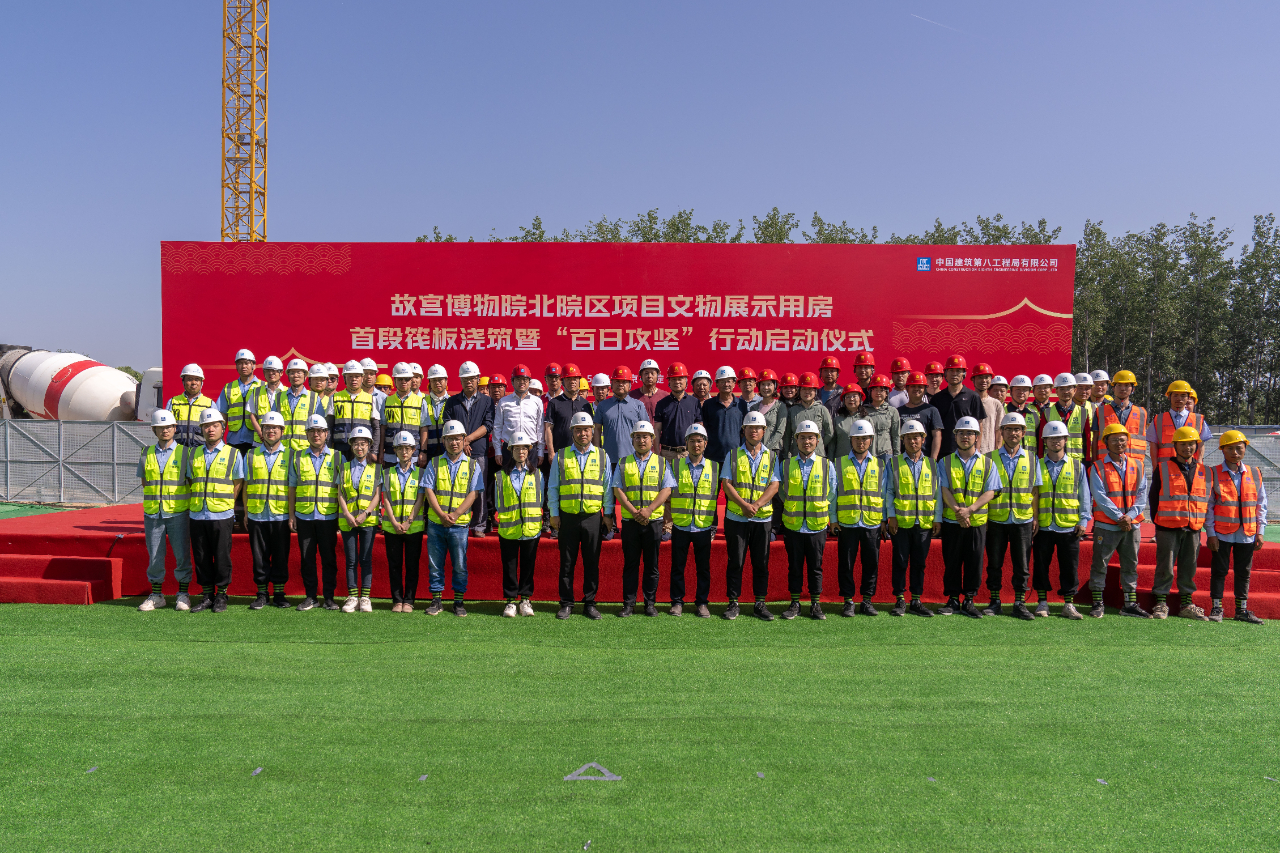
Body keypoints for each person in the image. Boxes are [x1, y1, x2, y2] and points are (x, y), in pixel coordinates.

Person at [549, 411, 614, 620]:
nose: (583, 434)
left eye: (586, 430)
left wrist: (608, 514)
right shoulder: (561, 456)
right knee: (567, 563)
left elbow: (607, 488)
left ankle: (590, 603)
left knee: (591, 563)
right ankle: (566, 603)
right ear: (572, 432)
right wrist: (554, 514)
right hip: (567, 517)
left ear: (592, 431)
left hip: (593, 517)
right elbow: (553, 487)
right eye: (578, 430)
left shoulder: (602, 456)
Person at [938, 416, 1001, 618]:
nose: (965, 437)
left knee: (975, 562)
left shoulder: (987, 463)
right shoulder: (945, 461)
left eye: (970, 433)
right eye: (961, 433)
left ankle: (969, 600)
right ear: (955, 436)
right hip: (952, 520)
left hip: (977, 522)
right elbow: (944, 489)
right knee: (952, 561)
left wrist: (970, 510)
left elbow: (991, 491)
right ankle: (953, 600)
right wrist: (959, 511)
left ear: (977, 437)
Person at [720, 411, 780, 621]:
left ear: (764, 431)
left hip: (762, 519)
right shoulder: (733, 455)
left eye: (758, 428)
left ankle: (759, 603)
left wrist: (756, 505)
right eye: (750, 427)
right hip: (737, 517)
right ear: (743, 430)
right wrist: (744, 505)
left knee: (761, 563)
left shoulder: (771, 456)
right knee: (735, 561)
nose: (754, 431)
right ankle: (733, 602)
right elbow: (727, 484)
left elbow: (774, 485)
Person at [1086, 423, 1150, 619]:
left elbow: (1142, 494)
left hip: (1132, 525)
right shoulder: (1097, 467)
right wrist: (1120, 517)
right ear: (1105, 442)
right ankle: (1097, 603)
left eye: (1122, 439)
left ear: (1127, 441)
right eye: (1114, 439)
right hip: (1106, 526)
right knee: (1100, 564)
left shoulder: (1138, 465)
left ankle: (1129, 604)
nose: (1119, 443)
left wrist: (1130, 517)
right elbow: (1099, 496)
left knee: (1131, 565)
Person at [611, 420, 675, 616]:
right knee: (630, 564)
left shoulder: (662, 462)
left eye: (645, 437)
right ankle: (629, 604)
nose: (641, 440)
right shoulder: (623, 462)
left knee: (651, 565)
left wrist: (649, 510)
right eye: (637, 437)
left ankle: (650, 603)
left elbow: (667, 489)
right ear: (632, 440)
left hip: (653, 521)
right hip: (630, 522)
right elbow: (617, 489)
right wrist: (634, 512)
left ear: (652, 439)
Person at [185, 408, 245, 613]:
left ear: (223, 428)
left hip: (222, 513)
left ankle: (221, 595)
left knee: (221, 556)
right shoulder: (193, 454)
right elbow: (191, 480)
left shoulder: (233, 453)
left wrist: (226, 503)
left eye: (215, 425)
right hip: (197, 513)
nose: (210, 429)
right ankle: (207, 595)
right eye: (206, 426)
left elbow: (238, 482)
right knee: (201, 556)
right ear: (201, 429)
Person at [1149, 425, 1210, 620]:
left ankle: (1186, 604)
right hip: (1167, 526)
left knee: (1189, 567)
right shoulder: (1162, 468)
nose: (1187, 448)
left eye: (1191, 444)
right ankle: (1160, 603)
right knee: (1165, 566)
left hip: (1193, 527)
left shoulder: (1205, 471)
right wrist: (1158, 524)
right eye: (1182, 444)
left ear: (1197, 446)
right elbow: (1153, 498)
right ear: (1175, 446)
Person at [423, 420, 484, 616]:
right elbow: (429, 490)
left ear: (464, 439)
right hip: (436, 522)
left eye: (457, 439)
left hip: (460, 525)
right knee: (435, 564)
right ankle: (436, 600)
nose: (454, 443)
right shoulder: (434, 463)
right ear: (443, 441)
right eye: (450, 439)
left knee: (459, 565)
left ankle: (458, 601)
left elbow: (474, 493)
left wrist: (456, 515)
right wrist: (441, 515)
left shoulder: (473, 465)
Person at [778, 419, 837, 620]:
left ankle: (815, 604)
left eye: (811, 438)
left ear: (817, 440)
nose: (807, 442)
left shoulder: (827, 465)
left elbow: (832, 493)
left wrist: (821, 510)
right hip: (793, 525)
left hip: (817, 526)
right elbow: (782, 492)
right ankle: (794, 603)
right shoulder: (786, 465)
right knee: (794, 567)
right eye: (802, 438)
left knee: (815, 567)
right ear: (796, 440)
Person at [1032, 421, 1092, 619]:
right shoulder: (1037, 465)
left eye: (1059, 438)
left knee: (1070, 567)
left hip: (1069, 526)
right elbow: (1033, 495)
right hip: (1043, 525)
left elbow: (1084, 496)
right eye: (1051, 438)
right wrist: (1033, 518)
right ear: (1045, 441)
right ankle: (1042, 602)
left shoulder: (1077, 466)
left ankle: (1068, 604)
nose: (1055, 441)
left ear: (1066, 440)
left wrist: (1083, 520)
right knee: (1041, 566)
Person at [1206, 430, 1267, 624]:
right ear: (1222, 450)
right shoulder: (1213, 473)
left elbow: (1261, 505)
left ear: (1245, 449)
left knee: (1243, 572)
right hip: (1221, 533)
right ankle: (1216, 608)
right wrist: (1210, 533)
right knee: (1219, 571)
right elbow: (1209, 506)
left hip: (1247, 534)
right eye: (1230, 448)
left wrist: (1260, 532)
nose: (1234, 452)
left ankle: (1241, 610)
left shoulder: (1255, 473)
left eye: (1239, 448)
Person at [984, 412, 1040, 620]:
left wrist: (1035, 517)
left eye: (1017, 429)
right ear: (1001, 432)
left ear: (1023, 433)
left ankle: (1019, 603)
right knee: (994, 563)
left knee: (1022, 565)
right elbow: (984, 490)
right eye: (1008, 429)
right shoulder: (989, 458)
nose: (1013, 433)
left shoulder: (1032, 458)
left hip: (1022, 518)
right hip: (995, 518)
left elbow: (1035, 491)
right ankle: (994, 601)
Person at [136, 409, 193, 612]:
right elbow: (145, 481)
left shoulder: (186, 453)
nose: (165, 430)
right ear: (154, 430)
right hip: (153, 513)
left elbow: (191, 481)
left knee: (182, 555)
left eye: (168, 427)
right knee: (154, 557)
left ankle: (183, 594)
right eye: (160, 427)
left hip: (178, 512)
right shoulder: (146, 452)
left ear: (175, 428)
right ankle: (157, 595)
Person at [885, 420, 941, 616]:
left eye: (916, 437)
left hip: (924, 522)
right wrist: (891, 516)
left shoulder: (932, 464)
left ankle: (916, 600)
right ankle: (900, 600)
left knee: (919, 563)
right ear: (903, 440)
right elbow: (889, 491)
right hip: (901, 522)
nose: (912, 441)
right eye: (908, 438)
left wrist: (937, 518)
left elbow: (937, 494)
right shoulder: (894, 463)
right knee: (900, 562)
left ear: (923, 439)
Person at [288, 413, 341, 611]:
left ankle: (329, 598)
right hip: (304, 516)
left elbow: (342, 489)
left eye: (319, 431)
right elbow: (292, 487)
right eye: (311, 431)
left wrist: (340, 517)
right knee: (307, 559)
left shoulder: (337, 456)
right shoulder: (298, 456)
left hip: (328, 516)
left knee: (329, 559)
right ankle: (311, 597)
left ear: (326, 433)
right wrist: (292, 515)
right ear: (306, 434)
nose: (316, 435)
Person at [832, 418, 883, 617]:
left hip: (872, 522)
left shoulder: (880, 464)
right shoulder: (839, 463)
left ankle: (867, 600)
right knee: (846, 564)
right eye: (857, 439)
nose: (861, 442)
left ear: (871, 440)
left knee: (871, 563)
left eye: (864, 438)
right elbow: (833, 494)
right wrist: (833, 519)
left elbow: (885, 494)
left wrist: (885, 520)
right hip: (848, 522)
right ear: (851, 440)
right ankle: (848, 601)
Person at [669, 423, 719, 617]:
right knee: (677, 567)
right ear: (686, 443)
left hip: (703, 526)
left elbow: (717, 496)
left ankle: (702, 603)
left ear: (705, 443)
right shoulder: (675, 465)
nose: (696, 445)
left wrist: (713, 525)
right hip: (681, 525)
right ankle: (677, 602)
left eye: (699, 441)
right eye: (692, 441)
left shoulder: (714, 467)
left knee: (703, 568)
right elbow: (667, 494)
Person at [244, 411, 292, 609]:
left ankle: (279, 594)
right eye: (267, 428)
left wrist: (291, 514)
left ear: (282, 431)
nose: (271, 431)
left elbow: (293, 487)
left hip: (281, 514)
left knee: (281, 556)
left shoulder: (291, 455)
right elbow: (246, 485)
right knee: (259, 557)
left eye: (275, 428)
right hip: (257, 513)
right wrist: (246, 513)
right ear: (261, 431)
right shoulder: (251, 454)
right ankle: (262, 593)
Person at [443, 361, 494, 538]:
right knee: (456, 487)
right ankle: (456, 520)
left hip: (478, 451)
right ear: (460, 380)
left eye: (472, 378)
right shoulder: (452, 401)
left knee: (479, 489)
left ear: (478, 379)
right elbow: (447, 424)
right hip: (455, 452)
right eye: (465, 378)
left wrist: (467, 439)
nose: (469, 381)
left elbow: (488, 425)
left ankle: (478, 524)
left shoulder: (487, 401)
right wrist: (461, 443)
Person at [495, 431, 543, 617]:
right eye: (517, 448)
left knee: (528, 566)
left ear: (529, 451)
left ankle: (525, 600)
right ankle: (510, 601)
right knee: (509, 567)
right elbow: (498, 503)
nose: (521, 451)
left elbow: (541, 500)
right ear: (510, 450)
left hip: (531, 528)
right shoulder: (500, 476)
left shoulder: (538, 475)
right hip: (509, 528)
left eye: (524, 448)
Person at [337, 425, 380, 614]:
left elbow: (377, 495)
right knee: (351, 560)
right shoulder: (343, 468)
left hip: (367, 521)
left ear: (369, 445)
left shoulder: (376, 469)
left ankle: (365, 598)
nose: (359, 447)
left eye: (363, 444)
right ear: (351, 446)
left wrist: (366, 513)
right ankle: (352, 597)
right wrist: (347, 514)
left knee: (366, 559)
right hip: (348, 521)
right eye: (356, 444)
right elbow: (340, 494)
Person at [382, 431, 426, 613]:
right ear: (395, 450)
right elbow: (386, 499)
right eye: (400, 448)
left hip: (413, 527)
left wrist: (408, 522)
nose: (404, 452)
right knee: (394, 565)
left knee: (411, 565)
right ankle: (397, 600)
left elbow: (420, 499)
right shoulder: (386, 473)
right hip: (391, 527)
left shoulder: (421, 473)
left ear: (414, 450)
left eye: (407, 448)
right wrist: (394, 522)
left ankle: (409, 600)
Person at [933, 355, 985, 459]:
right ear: (946, 374)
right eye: (951, 370)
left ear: (963, 374)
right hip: (942, 452)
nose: (954, 374)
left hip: (966, 452)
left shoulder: (973, 397)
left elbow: (979, 425)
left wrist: (977, 449)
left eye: (958, 371)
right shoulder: (937, 398)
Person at [1147, 380, 1210, 463]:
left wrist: (1199, 463)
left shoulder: (1198, 419)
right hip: (1165, 466)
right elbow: (1153, 445)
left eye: (1183, 395)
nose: (1179, 399)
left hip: (1190, 466)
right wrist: (1155, 466)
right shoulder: (1158, 419)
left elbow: (1201, 444)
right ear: (1169, 397)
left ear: (1188, 398)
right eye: (1175, 395)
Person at [493, 364, 545, 465]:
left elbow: (540, 428)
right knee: (508, 475)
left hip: (530, 449)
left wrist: (540, 451)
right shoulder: (504, 402)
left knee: (531, 475)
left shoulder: (537, 401)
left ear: (529, 381)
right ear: (512, 382)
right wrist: (498, 451)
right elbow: (497, 427)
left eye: (525, 379)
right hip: (509, 448)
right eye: (518, 379)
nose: (521, 382)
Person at [1092, 369, 1147, 464]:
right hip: (1106, 462)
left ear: (1133, 389)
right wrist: (1094, 462)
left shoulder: (1142, 413)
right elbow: (1095, 439)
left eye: (1127, 385)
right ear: (1113, 388)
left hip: (1134, 464)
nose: (1122, 389)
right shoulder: (1100, 411)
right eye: (1119, 385)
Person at [1036, 373, 1092, 465]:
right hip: (1051, 462)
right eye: (1062, 389)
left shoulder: (1083, 412)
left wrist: (1087, 462)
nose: (1065, 392)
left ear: (1074, 390)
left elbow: (1087, 440)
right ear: (1056, 391)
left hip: (1076, 462)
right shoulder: (1047, 412)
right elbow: (1041, 441)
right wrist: (1040, 460)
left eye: (1069, 388)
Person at [217, 349, 261, 461]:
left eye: (247, 363)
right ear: (236, 366)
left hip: (256, 441)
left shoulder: (263, 387)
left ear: (254, 365)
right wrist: (219, 438)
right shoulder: (228, 388)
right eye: (240, 363)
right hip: (234, 441)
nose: (243, 366)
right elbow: (222, 416)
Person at [702, 366, 749, 469]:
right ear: (717, 384)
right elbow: (704, 429)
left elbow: (744, 430)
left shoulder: (742, 404)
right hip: (712, 457)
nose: (726, 384)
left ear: (734, 383)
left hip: (736, 456)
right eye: (722, 381)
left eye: (729, 381)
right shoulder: (708, 404)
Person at [654, 362, 700, 462]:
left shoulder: (694, 402)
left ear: (686, 381)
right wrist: (657, 454)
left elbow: (700, 428)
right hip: (667, 453)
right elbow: (657, 429)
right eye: (673, 379)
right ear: (669, 382)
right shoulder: (662, 404)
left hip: (688, 453)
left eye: (680, 379)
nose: (677, 382)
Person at [333, 360, 378, 462]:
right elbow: (329, 426)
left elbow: (376, 428)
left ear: (362, 378)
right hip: (341, 449)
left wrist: (374, 451)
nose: (354, 379)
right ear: (344, 378)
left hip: (363, 449)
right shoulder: (335, 398)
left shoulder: (371, 399)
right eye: (350, 376)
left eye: (357, 376)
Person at [381, 362, 425, 466]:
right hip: (390, 454)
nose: (404, 382)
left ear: (411, 380)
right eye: (400, 379)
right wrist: (381, 451)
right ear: (395, 381)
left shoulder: (420, 401)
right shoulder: (387, 401)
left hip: (412, 455)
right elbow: (383, 428)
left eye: (407, 379)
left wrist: (423, 451)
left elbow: (424, 429)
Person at [895, 372, 943, 460]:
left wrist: (933, 459)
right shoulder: (898, 411)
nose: (916, 389)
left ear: (925, 389)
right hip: (903, 460)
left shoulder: (932, 410)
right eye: (913, 386)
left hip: (925, 460)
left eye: (920, 387)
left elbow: (937, 436)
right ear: (907, 388)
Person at [167, 363, 215, 447]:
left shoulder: (209, 404)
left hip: (201, 450)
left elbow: (215, 429)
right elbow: (166, 427)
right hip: (177, 449)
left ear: (201, 383)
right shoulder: (173, 402)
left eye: (197, 379)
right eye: (189, 379)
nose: (193, 383)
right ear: (183, 381)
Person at [787, 373, 834, 458]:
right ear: (799, 391)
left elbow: (829, 433)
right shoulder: (792, 410)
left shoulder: (822, 409)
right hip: (797, 455)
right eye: (804, 389)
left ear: (815, 391)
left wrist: (817, 443)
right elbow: (787, 435)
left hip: (817, 455)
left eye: (810, 389)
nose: (807, 392)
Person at [860, 374, 900, 466]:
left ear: (886, 393)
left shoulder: (892, 411)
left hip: (886, 453)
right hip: (867, 453)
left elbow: (896, 436)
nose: (878, 393)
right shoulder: (863, 410)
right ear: (870, 392)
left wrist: (896, 456)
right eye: (875, 389)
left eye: (881, 390)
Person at [279, 359, 317, 453]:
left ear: (305, 375)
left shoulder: (314, 397)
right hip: (283, 448)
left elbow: (319, 427)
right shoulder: (279, 397)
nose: (295, 375)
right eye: (292, 373)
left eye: (299, 372)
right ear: (288, 375)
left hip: (305, 448)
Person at [247, 355, 286, 447]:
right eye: (267, 371)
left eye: (274, 371)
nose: (271, 373)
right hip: (259, 442)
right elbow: (252, 415)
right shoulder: (256, 392)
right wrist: (261, 433)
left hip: (281, 442)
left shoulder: (287, 392)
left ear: (281, 373)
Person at [971, 363, 1004, 455]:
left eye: (987, 377)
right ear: (973, 380)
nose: (984, 380)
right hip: (968, 454)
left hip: (989, 453)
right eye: (980, 377)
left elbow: (999, 431)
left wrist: (998, 452)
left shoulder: (996, 404)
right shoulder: (967, 401)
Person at [421, 364, 451, 462]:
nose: (437, 383)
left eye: (440, 380)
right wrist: (423, 451)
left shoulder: (452, 402)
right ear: (429, 382)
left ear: (446, 381)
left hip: (448, 451)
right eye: (434, 380)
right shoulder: (423, 401)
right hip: (429, 452)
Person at [830, 383, 865, 459]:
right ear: (843, 400)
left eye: (854, 396)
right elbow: (832, 444)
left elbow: (872, 444)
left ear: (860, 399)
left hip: (862, 462)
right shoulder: (837, 420)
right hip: (841, 461)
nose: (851, 399)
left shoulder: (867, 420)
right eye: (848, 396)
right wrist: (830, 461)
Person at [1006, 374, 1039, 454]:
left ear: (1029, 393)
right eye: (1017, 389)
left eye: (1025, 390)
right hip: (1008, 457)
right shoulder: (1003, 412)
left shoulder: (1034, 414)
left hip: (1030, 458)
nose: (1021, 392)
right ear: (1011, 392)